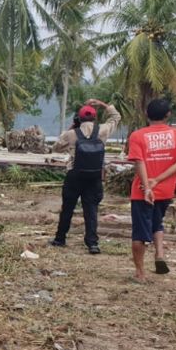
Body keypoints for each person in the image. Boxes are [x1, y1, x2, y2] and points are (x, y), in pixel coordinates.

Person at [128, 99, 176, 282]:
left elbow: (139, 162)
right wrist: (159, 180)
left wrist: (148, 186)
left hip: (142, 191)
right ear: (168, 114)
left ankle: (140, 273)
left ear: (146, 114)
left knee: (140, 232)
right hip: (166, 190)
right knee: (157, 222)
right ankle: (159, 254)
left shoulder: (138, 136)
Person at [51, 99, 122, 254]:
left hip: (74, 175)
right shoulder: (102, 130)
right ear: (95, 118)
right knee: (91, 210)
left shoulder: (71, 134)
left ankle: (60, 238)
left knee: (67, 208)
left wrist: (72, 127)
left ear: (79, 118)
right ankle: (92, 243)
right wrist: (103, 104)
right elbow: (116, 117)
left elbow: (56, 147)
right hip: (95, 176)